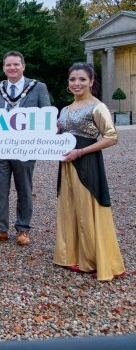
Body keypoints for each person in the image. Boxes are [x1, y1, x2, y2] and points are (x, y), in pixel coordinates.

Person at [54, 63, 125, 281]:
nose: (77, 83)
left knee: (88, 209)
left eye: (82, 79)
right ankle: (71, 256)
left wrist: (81, 151)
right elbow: (58, 137)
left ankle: (95, 261)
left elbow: (111, 137)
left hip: (86, 162)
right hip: (67, 163)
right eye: (73, 79)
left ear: (91, 82)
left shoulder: (97, 106)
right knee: (69, 207)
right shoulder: (65, 109)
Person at [0, 51, 50, 246]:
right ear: (4, 68)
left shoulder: (38, 88)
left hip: (25, 148)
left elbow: (47, 117)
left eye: (16, 65)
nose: (12, 68)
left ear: (23, 66)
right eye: (8, 65)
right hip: (0, 148)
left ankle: (23, 229)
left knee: (24, 188)